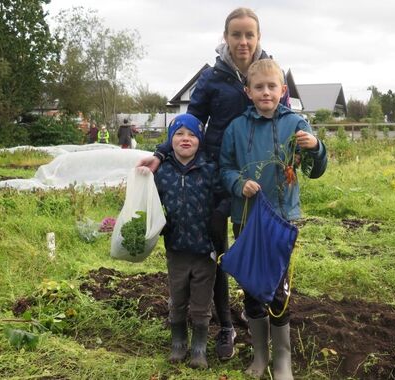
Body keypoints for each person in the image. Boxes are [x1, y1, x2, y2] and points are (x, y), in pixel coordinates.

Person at [137, 7, 289, 360]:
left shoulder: (266, 73)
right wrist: (161, 153)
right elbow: (190, 121)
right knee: (217, 256)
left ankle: (266, 326)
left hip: (258, 180)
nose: (243, 41)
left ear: (259, 38)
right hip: (219, 179)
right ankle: (225, 328)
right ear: (226, 37)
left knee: (256, 254)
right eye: (236, 34)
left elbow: (284, 116)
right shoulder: (213, 78)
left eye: (249, 34)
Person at [219, 59, 327, 380]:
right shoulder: (236, 128)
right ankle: (260, 355)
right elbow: (225, 169)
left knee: (279, 291)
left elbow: (315, 170)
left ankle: (283, 360)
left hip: (282, 220)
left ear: (283, 90)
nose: (265, 92)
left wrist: (317, 147)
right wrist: (240, 184)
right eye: (258, 87)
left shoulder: (296, 124)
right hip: (247, 219)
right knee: (252, 286)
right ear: (248, 91)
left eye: (271, 87)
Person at [149, 114, 226, 369]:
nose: (185, 139)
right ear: (170, 140)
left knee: (201, 302)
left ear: (199, 140)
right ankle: (178, 343)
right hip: (176, 248)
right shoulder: (162, 171)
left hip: (205, 250)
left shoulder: (210, 168)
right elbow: (150, 201)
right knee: (178, 298)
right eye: (179, 134)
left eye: (192, 134)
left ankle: (199, 348)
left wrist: (218, 216)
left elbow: (225, 196)